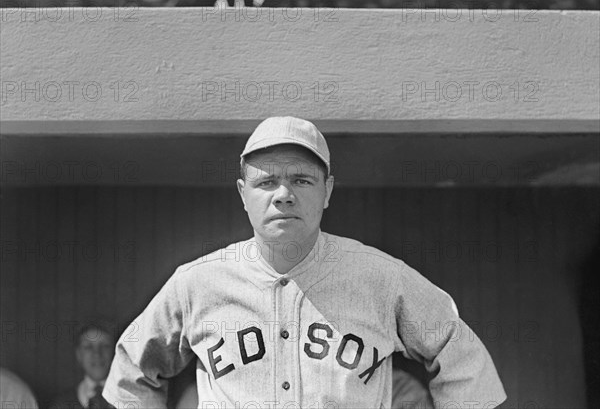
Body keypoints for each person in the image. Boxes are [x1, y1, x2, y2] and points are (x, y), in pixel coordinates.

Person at [104, 116, 507, 408]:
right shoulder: (198, 283)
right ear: (243, 194)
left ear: (327, 190)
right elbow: (132, 371)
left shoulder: (381, 277)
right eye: (266, 182)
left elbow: (461, 354)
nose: (283, 195)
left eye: (301, 180)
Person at [50, 324, 115, 409]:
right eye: (88, 347)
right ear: (79, 354)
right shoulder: (61, 404)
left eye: (105, 346)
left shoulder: (132, 399)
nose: (97, 354)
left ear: (115, 352)